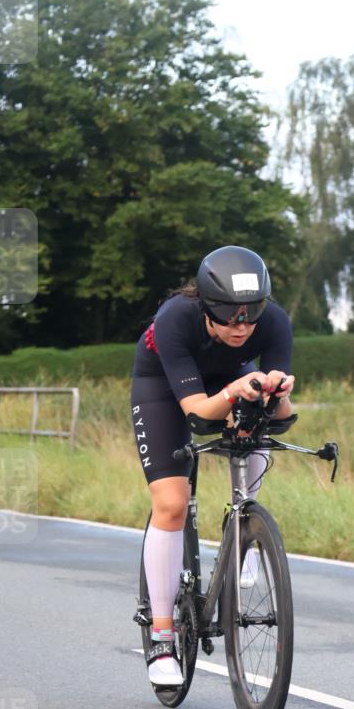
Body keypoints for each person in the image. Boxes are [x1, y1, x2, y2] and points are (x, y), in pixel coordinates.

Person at [130, 245, 295, 686]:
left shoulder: (275, 322)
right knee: (171, 503)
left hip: (227, 379)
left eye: (251, 315)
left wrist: (277, 392)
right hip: (163, 387)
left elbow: (283, 415)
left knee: (257, 426)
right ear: (206, 307)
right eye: (228, 316)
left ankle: (245, 531)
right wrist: (235, 391)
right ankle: (162, 638)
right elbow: (199, 414)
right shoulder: (174, 319)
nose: (241, 326)